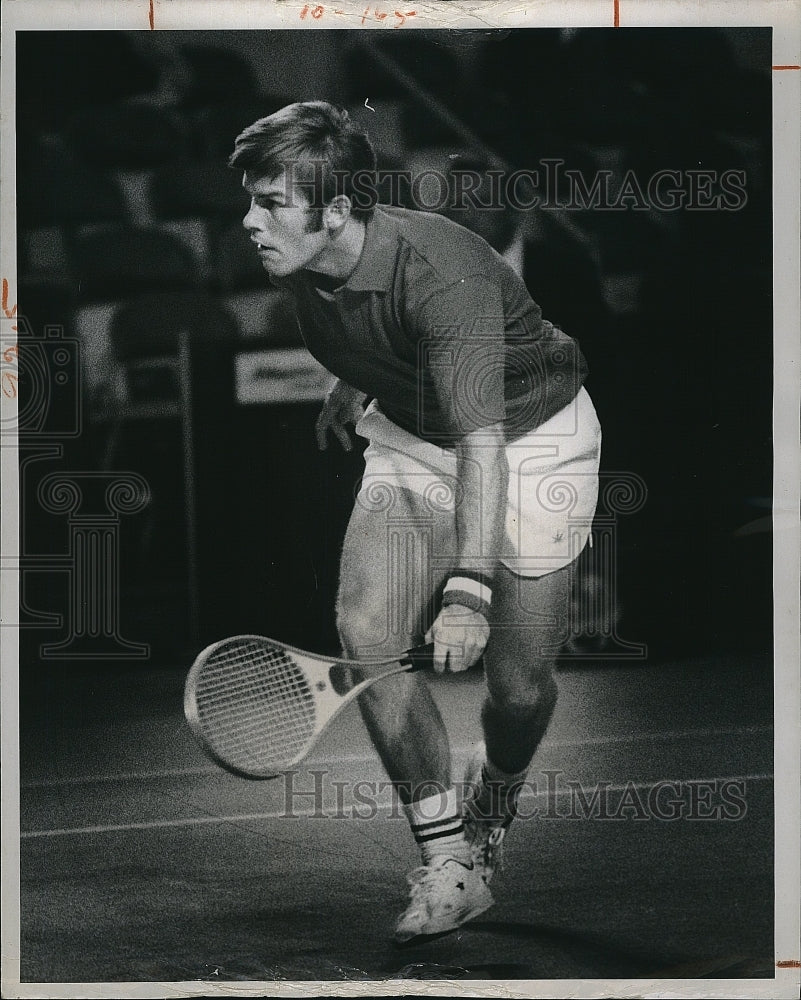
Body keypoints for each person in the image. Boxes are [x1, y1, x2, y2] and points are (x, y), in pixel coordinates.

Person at [229, 102, 602, 942]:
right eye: (250, 199)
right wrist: (355, 377)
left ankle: (493, 803)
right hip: (413, 429)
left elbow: (485, 448)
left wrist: (467, 591)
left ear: (335, 211)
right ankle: (448, 863)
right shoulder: (297, 252)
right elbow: (360, 317)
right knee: (365, 626)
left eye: (271, 203)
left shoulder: (446, 275)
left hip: (530, 440)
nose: (249, 221)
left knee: (514, 691)